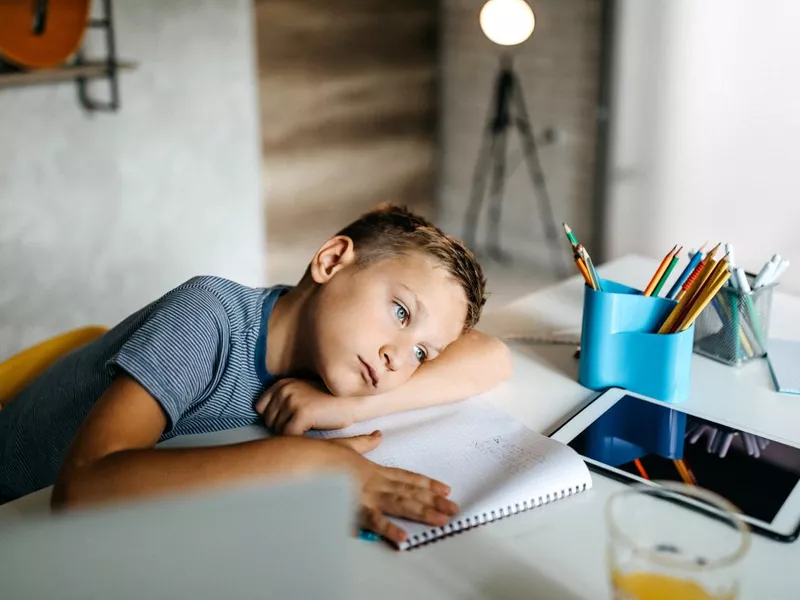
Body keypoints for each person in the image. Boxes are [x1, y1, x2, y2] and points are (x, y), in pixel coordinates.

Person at [0, 204, 512, 542]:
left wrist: (349, 406)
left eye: (424, 353)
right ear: (332, 261)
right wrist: (305, 462)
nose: (399, 358)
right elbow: (81, 490)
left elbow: (492, 356)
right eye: (401, 313)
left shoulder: (331, 371)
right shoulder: (208, 317)